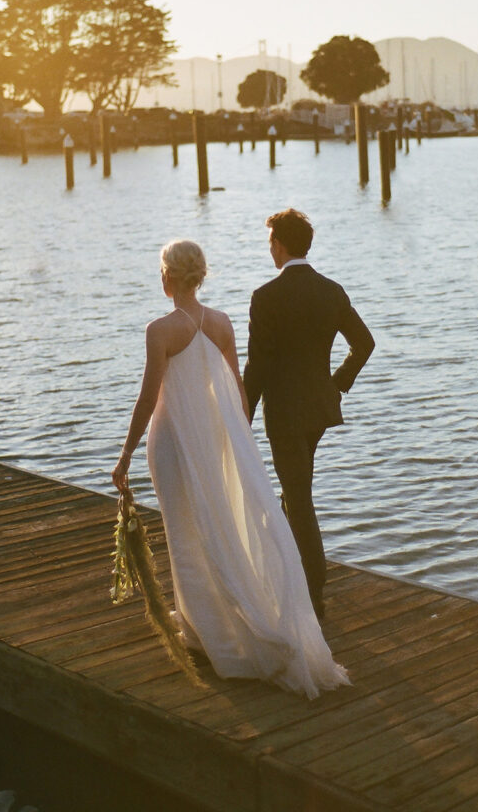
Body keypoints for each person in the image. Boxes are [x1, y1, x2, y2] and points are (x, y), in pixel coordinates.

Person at [112, 239, 349, 699]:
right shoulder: (220, 323)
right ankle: (211, 621)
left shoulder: (159, 330)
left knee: (185, 533)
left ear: (170, 277)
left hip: (174, 440)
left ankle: (207, 634)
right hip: (217, 437)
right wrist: (240, 441)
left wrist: (124, 456)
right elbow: (237, 386)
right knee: (218, 524)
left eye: (162, 271)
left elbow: (148, 398)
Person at [243, 209, 374, 620]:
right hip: (319, 410)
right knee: (295, 489)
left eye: (270, 243)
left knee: (299, 498)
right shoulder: (331, 291)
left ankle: (314, 594)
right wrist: (335, 385)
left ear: (279, 245)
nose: (270, 250)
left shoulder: (266, 297)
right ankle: (288, 572)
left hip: (283, 415)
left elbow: (258, 367)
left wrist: (241, 418)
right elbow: (365, 344)